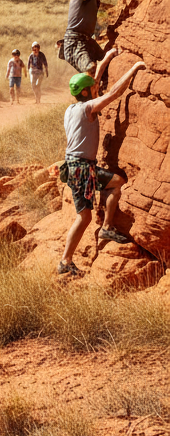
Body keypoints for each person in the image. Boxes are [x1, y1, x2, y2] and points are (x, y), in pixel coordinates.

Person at [57, 47, 146, 276]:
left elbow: (93, 83)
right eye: (93, 88)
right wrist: (134, 68)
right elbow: (114, 92)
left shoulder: (72, 108)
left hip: (77, 167)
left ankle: (104, 229)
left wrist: (106, 58)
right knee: (85, 215)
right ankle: (67, 261)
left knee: (114, 184)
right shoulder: (88, 108)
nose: (97, 87)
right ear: (87, 93)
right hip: (82, 169)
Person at [63, 0, 141, 75]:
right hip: (75, 41)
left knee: (106, 68)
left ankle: (99, 91)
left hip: (87, 40)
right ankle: (86, 92)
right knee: (91, 69)